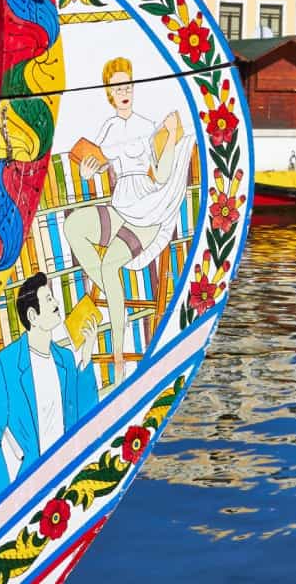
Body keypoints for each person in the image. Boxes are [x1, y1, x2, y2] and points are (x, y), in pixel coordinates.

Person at [62, 56, 196, 379]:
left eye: (128, 86)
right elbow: (97, 166)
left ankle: (119, 354)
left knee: (110, 265)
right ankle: (112, 294)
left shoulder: (148, 126)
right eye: (117, 87)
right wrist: (88, 171)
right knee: (72, 226)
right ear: (109, 92)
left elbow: (162, 176)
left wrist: (170, 136)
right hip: (120, 204)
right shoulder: (108, 128)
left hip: (146, 211)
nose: (124, 92)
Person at [0, 272, 100, 493]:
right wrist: (2, 497)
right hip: (32, 483)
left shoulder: (65, 358)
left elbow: (84, 418)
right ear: (32, 316)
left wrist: (86, 357)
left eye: (53, 297)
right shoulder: (6, 364)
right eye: (48, 299)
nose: (57, 303)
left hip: (69, 475)